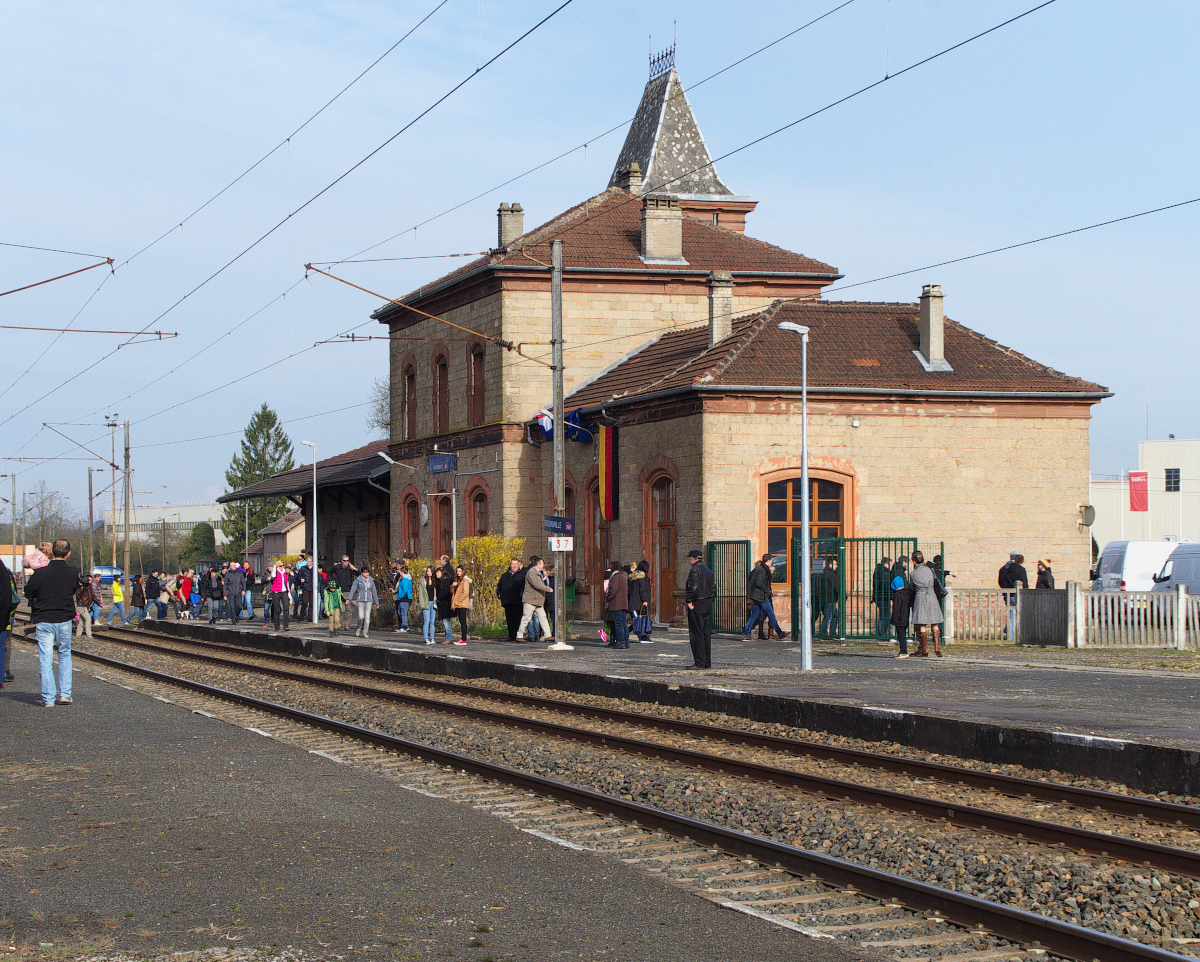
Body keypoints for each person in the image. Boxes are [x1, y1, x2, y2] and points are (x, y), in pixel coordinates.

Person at [25, 538, 79, 707]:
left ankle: (48, 698)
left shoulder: (40, 573)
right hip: (64, 619)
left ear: (51, 553)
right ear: (68, 553)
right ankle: (65, 694)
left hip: (44, 619)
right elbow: (73, 590)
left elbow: (28, 593)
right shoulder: (72, 573)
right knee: (64, 654)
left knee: (45, 657)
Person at [909, 550, 944, 657]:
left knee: (922, 623)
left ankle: (925, 649)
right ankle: (937, 648)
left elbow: (912, 588)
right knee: (935, 622)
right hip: (932, 596)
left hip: (920, 597)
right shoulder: (930, 570)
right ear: (923, 560)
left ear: (914, 561)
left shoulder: (913, 574)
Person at [684, 549, 715, 669]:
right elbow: (713, 587)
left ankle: (699, 661)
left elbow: (693, 587)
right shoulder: (707, 570)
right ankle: (707, 661)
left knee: (696, 632)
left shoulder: (694, 570)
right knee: (706, 632)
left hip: (698, 602)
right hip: (707, 601)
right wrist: (711, 599)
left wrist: (689, 600)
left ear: (692, 558)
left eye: (690, 558)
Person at [743, 554, 784, 641]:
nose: (771, 563)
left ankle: (746, 634)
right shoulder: (762, 570)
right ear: (768, 561)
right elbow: (759, 583)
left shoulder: (759, 568)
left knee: (754, 616)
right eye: (771, 561)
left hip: (757, 596)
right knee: (771, 614)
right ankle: (780, 633)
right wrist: (767, 590)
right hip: (761, 596)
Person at [515, 556, 553, 642]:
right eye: (542, 563)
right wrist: (548, 589)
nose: (543, 565)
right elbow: (536, 584)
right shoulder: (531, 572)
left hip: (537, 600)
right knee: (526, 618)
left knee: (543, 618)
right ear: (538, 564)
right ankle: (519, 635)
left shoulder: (538, 573)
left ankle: (548, 635)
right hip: (530, 600)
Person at [998, 552, 1028, 640]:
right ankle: (1011, 637)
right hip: (1017, 596)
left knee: (1011, 614)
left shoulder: (1003, 569)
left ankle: (1007, 633)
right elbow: (1024, 583)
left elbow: (1000, 582)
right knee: (1015, 615)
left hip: (1007, 595)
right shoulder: (1020, 569)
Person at [347, 565, 379, 638]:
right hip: (360, 600)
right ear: (361, 573)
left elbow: (374, 591)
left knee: (367, 617)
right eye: (365, 573)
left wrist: (377, 602)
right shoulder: (358, 581)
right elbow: (353, 589)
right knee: (361, 616)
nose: (366, 574)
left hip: (369, 600)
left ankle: (365, 632)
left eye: (367, 572)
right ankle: (359, 627)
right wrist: (349, 598)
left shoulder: (371, 581)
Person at [497, 558, 525, 642]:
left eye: (516, 564)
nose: (514, 566)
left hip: (517, 601)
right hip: (507, 601)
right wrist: (499, 593)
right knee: (509, 620)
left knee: (517, 619)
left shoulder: (521, 575)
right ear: (510, 565)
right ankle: (511, 636)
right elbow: (499, 586)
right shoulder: (505, 575)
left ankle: (518, 635)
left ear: (518, 565)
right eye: (513, 564)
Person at [605, 560, 630, 650]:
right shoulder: (623, 576)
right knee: (623, 623)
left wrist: (608, 598)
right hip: (623, 603)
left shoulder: (616, 577)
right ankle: (626, 641)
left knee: (618, 623)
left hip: (617, 603)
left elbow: (613, 590)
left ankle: (621, 641)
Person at [628, 560, 653, 643]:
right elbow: (643, 590)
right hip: (638, 602)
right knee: (639, 620)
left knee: (638, 620)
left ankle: (626, 634)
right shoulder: (642, 578)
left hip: (634, 601)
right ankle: (642, 636)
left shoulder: (633, 577)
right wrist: (645, 600)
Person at [331, 556, 358, 631]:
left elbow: (358, 574)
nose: (346, 562)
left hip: (347, 590)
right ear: (341, 561)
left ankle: (347, 625)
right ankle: (339, 624)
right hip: (339, 590)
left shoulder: (349, 569)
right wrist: (332, 583)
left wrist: (354, 568)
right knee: (341, 609)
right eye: (344, 561)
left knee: (348, 609)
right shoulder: (337, 568)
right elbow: (329, 573)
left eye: (347, 561)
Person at [0, 558, 15, 690]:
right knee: (3, 645)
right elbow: (9, 595)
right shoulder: (6, 572)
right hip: (4, 616)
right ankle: (3, 673)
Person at [889, 574, 913, 658]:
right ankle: (902, 650)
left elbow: (896, 609)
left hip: (899, 619)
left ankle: (904, 651)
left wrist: (893, 620)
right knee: (903, 635)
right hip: (905, 617)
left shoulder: (897, 595)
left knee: (901, 636)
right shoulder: (907, 593)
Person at [434, 558, 456, 643]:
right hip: (442, 604)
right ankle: (448, 637)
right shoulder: (439, 581)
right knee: (444, 621)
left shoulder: (446, 581)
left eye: (438, 573)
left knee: (445, 621)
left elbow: (447, 592)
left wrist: (439, 598)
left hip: (446, 604)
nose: (436, 574)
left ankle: (448, 637)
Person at [819, 558, 841, 639]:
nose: (837, 566)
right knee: (828, 616)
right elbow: (837, 586)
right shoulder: (830, 574)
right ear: (830, 565)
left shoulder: (824, 573)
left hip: (825, 598)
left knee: (835, 615)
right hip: (830, 598)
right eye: (835, 564)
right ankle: (823, 633)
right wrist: (842, 595)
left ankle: (833, 633)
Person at [872, 556, 893, 639]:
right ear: (885, 564)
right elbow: (886, 586)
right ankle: (882, 634)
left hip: (878, 596)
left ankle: (881, 633)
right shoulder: (884, 572)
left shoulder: (878, 571)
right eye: (889, 564)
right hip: (884, 597)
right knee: (886, 616)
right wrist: (891, 595)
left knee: (883, 615)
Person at [450, 565, 472, 644]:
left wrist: (459, 601)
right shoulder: (458, 580)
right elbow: (453, 592)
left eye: (460, 571)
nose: (458, 573)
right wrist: (453, 585)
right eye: (457, 571)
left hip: (462, 604)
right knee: (461, 621)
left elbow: (465, 593)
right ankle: (463, 638)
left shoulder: (465, 581)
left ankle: (464, 639)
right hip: (458, 603)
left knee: (463, 621)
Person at [268, 562, 291, 631]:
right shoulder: (275, 572)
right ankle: (277, 625)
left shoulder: (284, 573)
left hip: (284, 591)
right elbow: (273, 576)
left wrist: (289, 593)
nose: (282, 567)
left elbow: (287, 582)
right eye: (280, 566)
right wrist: (275, 568)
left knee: (286, 607)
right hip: (276, 592)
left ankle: (286, 625)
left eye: (283, 566)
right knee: (276, 609)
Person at [418, 566, 437, 645]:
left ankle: (432, 638)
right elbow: (421, 593)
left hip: (433, 602)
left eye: (430, 571)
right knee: (427, 621)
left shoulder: (435, 581)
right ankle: (426, 638)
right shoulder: (422, 581)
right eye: (427, 571)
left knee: (432, 621)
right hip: (426, 602)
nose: (428, 572)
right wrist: (422, 604)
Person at [322, 572, 343, 637]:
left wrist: (345, 600)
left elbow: (341, 596)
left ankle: (336, 629)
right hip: (330, 607)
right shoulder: (327, 593)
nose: (332, 589)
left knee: (337, 619)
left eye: (333, 588)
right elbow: (326, 601)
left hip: (336, 607)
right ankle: (331, 631)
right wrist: (327, 610)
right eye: (331, 588)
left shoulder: (337, 591)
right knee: (331, 620)